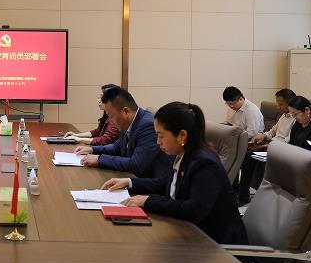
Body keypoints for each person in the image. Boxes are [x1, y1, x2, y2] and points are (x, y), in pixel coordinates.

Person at [101, 102, 248, 245]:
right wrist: (129, 182)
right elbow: (165, 183)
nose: (158, 142)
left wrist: (148, 201)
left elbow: (194, 209)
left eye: (161, 136)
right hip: (187, 233)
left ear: (182, 135)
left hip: (215, 246)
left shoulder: (205, 164)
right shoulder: (183, 155)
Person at [74, 87, 168, 177]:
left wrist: (100, 159)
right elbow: (117, 147)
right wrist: (92, 150)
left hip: (145, 183)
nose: (110, 121)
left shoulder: (147, 125)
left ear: (126, 111)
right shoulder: (127, 122)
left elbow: (136, 164)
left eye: (111, 116)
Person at [238, 88, 296, 205]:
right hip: (272, 144)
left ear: (290, 103)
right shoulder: (284, 116)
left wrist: (269, 145)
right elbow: (272, 131)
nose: (278, 107)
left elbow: (288, 140)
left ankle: (244, 195)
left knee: (249, 156)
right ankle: (240, 191)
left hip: (280, 149)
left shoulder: (295, 119)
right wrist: (263, 135)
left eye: (280, 104)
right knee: (244, 151)